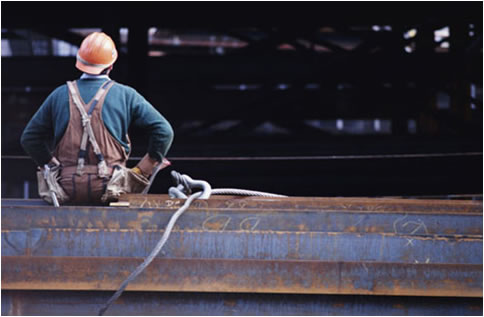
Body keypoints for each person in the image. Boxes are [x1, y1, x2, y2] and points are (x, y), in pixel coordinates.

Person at [20, 32, 174, 205]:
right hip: (113, 188)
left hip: (65, 189)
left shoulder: (59, 95)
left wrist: (51, 165)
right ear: (111, 65)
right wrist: (143, 169)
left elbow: (29, 139)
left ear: (79, 63)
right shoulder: (126, 95)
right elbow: (164, 131)